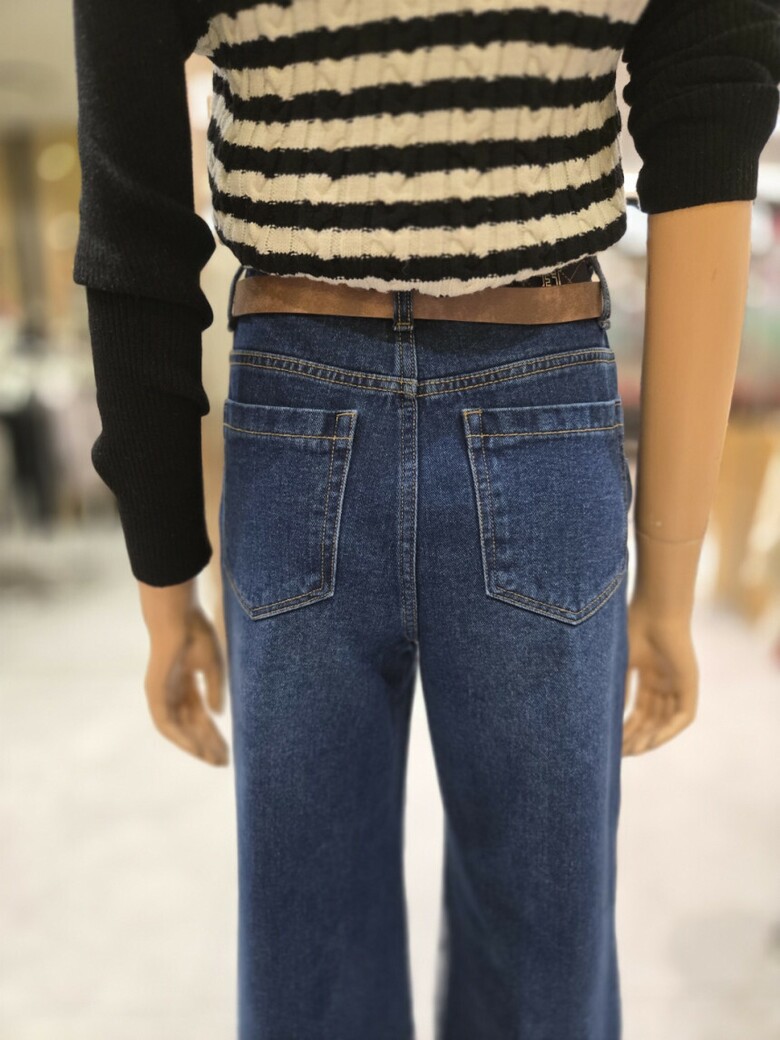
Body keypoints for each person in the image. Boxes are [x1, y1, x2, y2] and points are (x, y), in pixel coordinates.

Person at [70, 0, 780, 1037]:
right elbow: (710, 111)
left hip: (298, 407)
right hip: (538, 393)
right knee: (544, 968)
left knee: (310, 964)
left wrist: (165, 585)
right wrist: (666, 587)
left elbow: (131, 211)